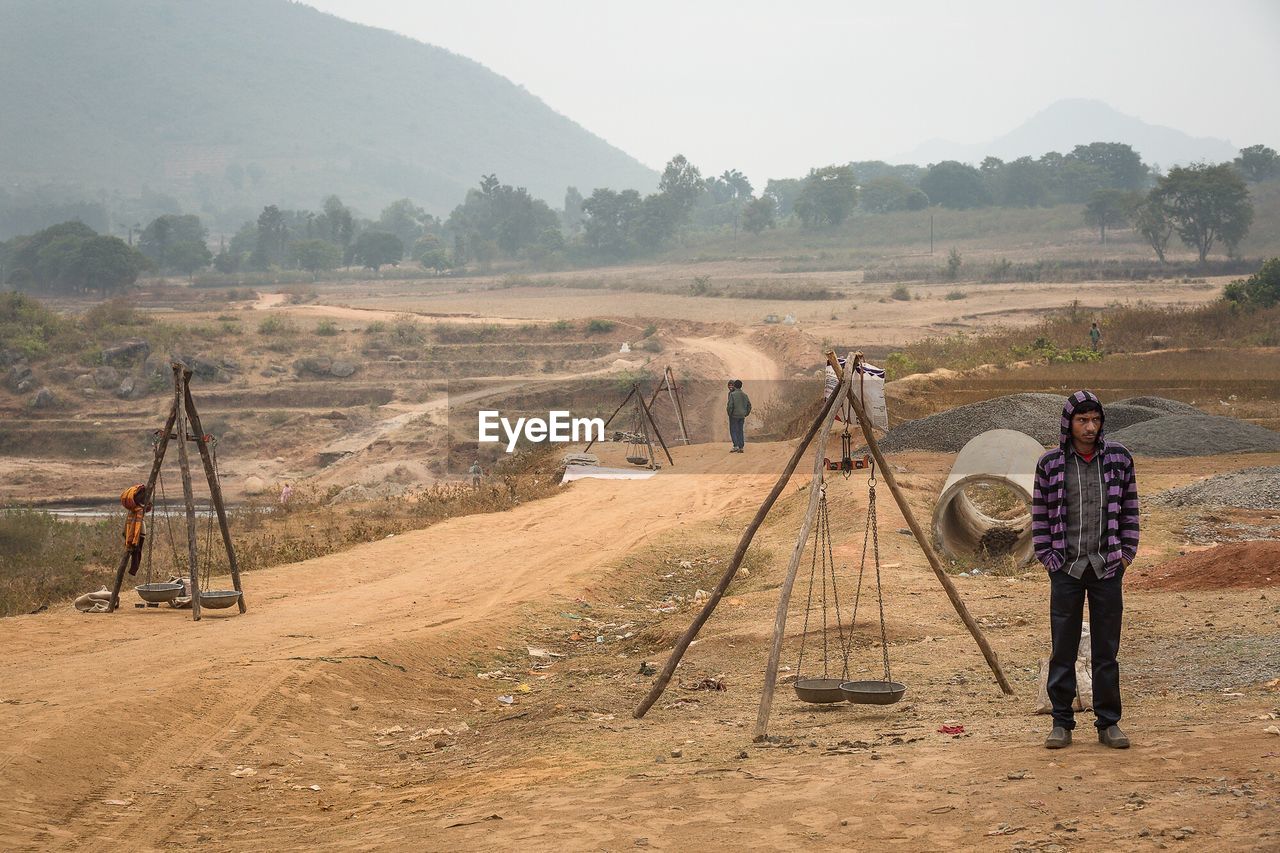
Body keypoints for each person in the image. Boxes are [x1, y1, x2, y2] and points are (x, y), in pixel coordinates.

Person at [1032, 390, 1139, 750]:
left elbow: (1129, 510)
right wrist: (1049, 559)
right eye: (1082, 420)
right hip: (1067, 568)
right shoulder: (1051, 465)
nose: (1090, 427)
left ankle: (1108, 724)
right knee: (1063, 647)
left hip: (1108, 567)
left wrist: (1125, 555)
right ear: (1069, 424)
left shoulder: (1119, 459)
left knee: (1106, 650)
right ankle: (1061, 722)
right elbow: (1041, 517)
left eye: (1095, 420)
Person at [726, 379, 752, 453]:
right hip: (742, 416)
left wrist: (729, 413)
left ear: (734, 386)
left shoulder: (732, 394)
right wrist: (746, 413)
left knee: (733, 430)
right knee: (740, 430)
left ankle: (736, 446)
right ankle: (741, 447)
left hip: (734, 416)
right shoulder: (745, 395)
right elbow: (749, 405)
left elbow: (730, 406)